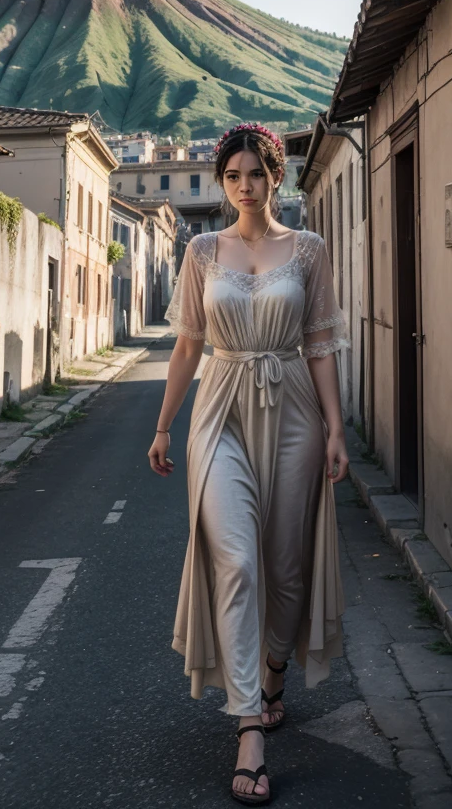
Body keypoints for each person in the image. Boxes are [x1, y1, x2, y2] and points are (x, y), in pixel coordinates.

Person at [148, 123, 349, 805]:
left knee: (285, 567)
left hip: (294, 405)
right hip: (221, 410)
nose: (244, 186)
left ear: (275, 176)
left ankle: (271, 674)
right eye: (232, 176)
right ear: (222, 181)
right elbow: (185, 347)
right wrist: (163, 426)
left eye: (256, 174)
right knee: (234, 556)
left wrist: (336, 430)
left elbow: (320, 344)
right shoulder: (203, 251)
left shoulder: (308, 250)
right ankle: (247, 728)